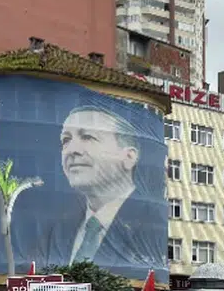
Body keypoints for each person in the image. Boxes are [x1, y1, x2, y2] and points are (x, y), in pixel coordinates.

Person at [14, 104, 164, 276]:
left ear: (128, 157)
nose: (72, 150)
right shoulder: (55, 231)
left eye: (87, 137)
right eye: (65, 140)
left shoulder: (154, 223)